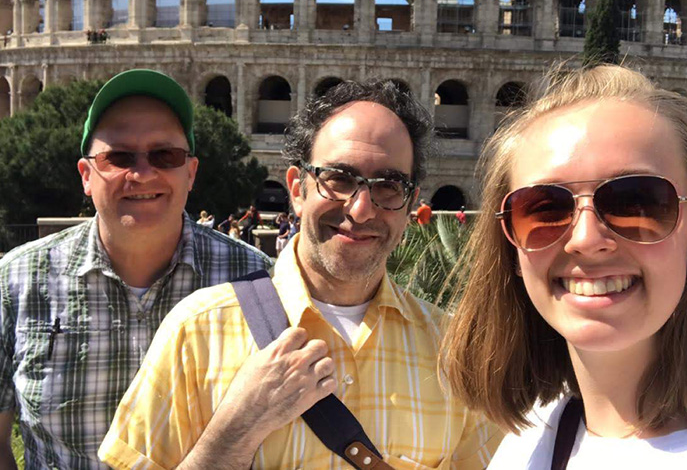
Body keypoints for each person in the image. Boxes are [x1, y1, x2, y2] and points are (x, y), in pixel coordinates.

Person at [99, 79, 500, 469]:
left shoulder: (454, 353)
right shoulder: (198, 329)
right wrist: (237, 429)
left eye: (388, 185)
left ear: (411, 202)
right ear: (297, 187)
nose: (361, 209)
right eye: (339, 179)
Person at [442, 65, 687, 468]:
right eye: (543, 209)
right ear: (511, 248)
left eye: (638, 203)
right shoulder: (528, 442)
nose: (586, 240)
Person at [0, 69, 270, 468]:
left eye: (165, 156)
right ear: (86, 176)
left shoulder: (257, 282)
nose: (142, 174)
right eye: (120, 157)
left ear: (191, 172)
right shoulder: (16, 280)